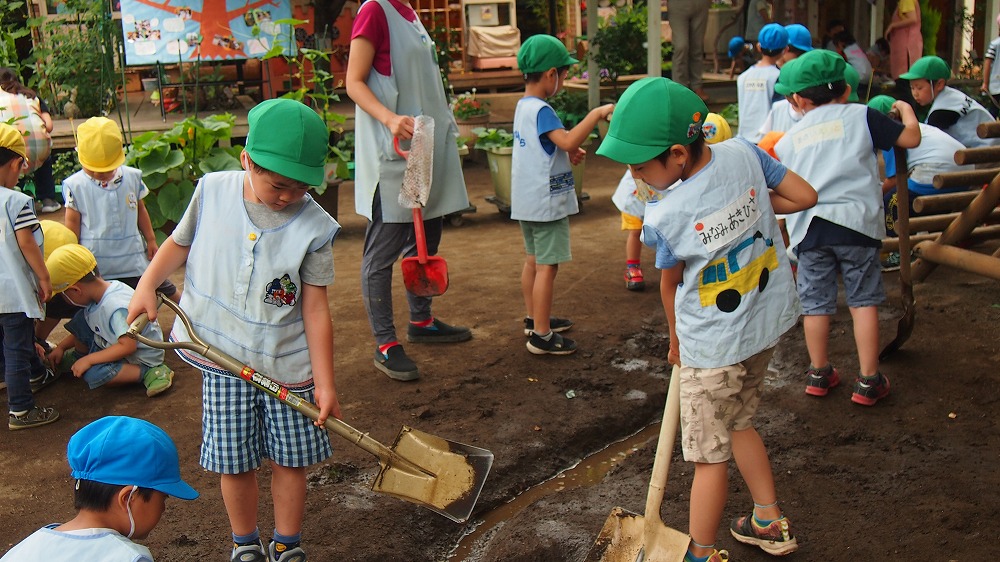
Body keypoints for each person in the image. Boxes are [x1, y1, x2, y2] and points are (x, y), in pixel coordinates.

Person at [596, 77, 817, 562]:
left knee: (707, 458)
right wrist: (749, 211)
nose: (635, 174)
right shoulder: (745, 152)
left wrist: (676, 342)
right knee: (740, 422)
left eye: (639, 164)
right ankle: (768, 520)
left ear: (677, 154)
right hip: (762, 330)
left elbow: (669, 286)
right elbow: (804, 197)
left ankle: (702, 552)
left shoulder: (666, 214)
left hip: (711, 349)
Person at [128, 98, 341, 562]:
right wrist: (147, 285)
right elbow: (177, 243)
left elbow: (316, 308)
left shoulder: (316, 228)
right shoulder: (211, 191)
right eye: (278, 184)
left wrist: (324, 383)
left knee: (291, 458)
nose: (288, 196)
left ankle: (287, 542)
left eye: (301, 187)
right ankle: (245, 543)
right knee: (233, 459)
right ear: (247, 159)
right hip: (220, 356)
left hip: (287, 366)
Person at [772, 49, 920, 405]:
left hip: (809, 230)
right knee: (863, 301)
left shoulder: (787, 139)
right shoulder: (862, 116)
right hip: (856, 226)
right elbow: (910, 139)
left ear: (798, 99)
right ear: (844, 88)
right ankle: (869, 379)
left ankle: (819, 373)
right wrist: (907, 110)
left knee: (816, 304)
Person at [346, 0, 472, 381]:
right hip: (397, 149)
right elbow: (354, 81)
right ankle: (386, 344)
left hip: (426, 146)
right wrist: (388, 118)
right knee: (383, 249)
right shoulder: (374, 10)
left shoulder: (411, 13)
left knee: (426, 236)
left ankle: (422, 320)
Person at [512, 34, 614, 355]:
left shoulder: (523, 107)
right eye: (564, 73)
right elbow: (568, 140)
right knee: (548, 266)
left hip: (527, 202)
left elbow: (546, 146)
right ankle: (541, 335)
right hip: (546, 205)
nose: (565, 79)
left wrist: (562, 153)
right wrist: (596, 115)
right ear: (550, 74)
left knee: (533, 261)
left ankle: (534, 319)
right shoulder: (543, 110)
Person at [0, 416, 198, 561]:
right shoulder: (128, 558)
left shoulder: (23, 551)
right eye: (163, 498)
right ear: (128, 497)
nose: (163, 508)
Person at [62, 117, 181, 302]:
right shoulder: (75, 185)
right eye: (93, 170)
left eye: (108, 169)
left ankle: (190, 314)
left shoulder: (132, 177)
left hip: (132, 255)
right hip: (97, 258)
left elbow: (141, 209)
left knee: (158, 283)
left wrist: (150, 239)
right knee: (100, 299)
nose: (101, 174)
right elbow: (72, 222)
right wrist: (72, 251)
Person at [611, 113, 731, 294]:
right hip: (635, 197)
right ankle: (632, 267)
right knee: (636, 231)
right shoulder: (663, 158)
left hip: (658, 198)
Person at [44, 244, 174, 396]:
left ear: (75, 290)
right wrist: (61, 347)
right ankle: (78, 356)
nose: (64, 300)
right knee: (82, 319)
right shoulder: (106, 289)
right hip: (113, 340)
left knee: (94, 374)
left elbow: (128, 346)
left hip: (138, 355)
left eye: (63, 295)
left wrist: (90, 360)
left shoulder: (115, 308)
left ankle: (149, 372)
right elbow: (88, 325)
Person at [866, 95, 973, 270]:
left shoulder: (891, 133)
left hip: (937, 173)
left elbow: (893, 180)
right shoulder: (920, 127)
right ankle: (944, 239)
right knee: (913, 194)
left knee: (891, 201)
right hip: (965, 172)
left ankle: (900, 251)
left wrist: (872, 196)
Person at [0, 123, 59, 431]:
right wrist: (44, 276)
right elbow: (26, 242)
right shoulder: (16, 201)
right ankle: (21, 409)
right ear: (14, 164)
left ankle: (35, 375)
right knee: (18, 346)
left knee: (6, 345)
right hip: (12, 294)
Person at [901, 55, 1000, 149]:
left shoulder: (942, 110)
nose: (915, 93)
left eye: (919, 88)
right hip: (990, 145)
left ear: (940, 84)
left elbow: (923, 140)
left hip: (983, 153)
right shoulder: (952, 97)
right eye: (912, 88)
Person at [0, 68, 59, 214]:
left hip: (12, 156)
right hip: (40, 149)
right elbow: (49, 126)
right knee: (44, 160)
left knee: (9, 157)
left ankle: (18, 195)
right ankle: (48, 200)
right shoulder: (32, 96)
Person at [737, 23, 788, 142]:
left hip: (742, 139)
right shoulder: (778, 76)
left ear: (759, 47)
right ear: (785, 50)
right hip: (766, 140)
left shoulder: (743, 77)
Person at [668, 0, 710, 100]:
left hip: (700, 5)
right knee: (681, 46)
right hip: (678, 5)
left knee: (697, 47)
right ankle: (679, 87)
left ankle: (697, 86)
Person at [885, 0, 922, 103]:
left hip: (906, 51)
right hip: (905, 48)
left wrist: (893, 25)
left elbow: (912, 18)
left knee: (905, 88)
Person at [981, 16, 1000, 112]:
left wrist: (985, 83)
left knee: (993, 111)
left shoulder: (995, 44)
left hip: (996, 85)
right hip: (996, 85)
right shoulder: (995, 44)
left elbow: (987, 64)